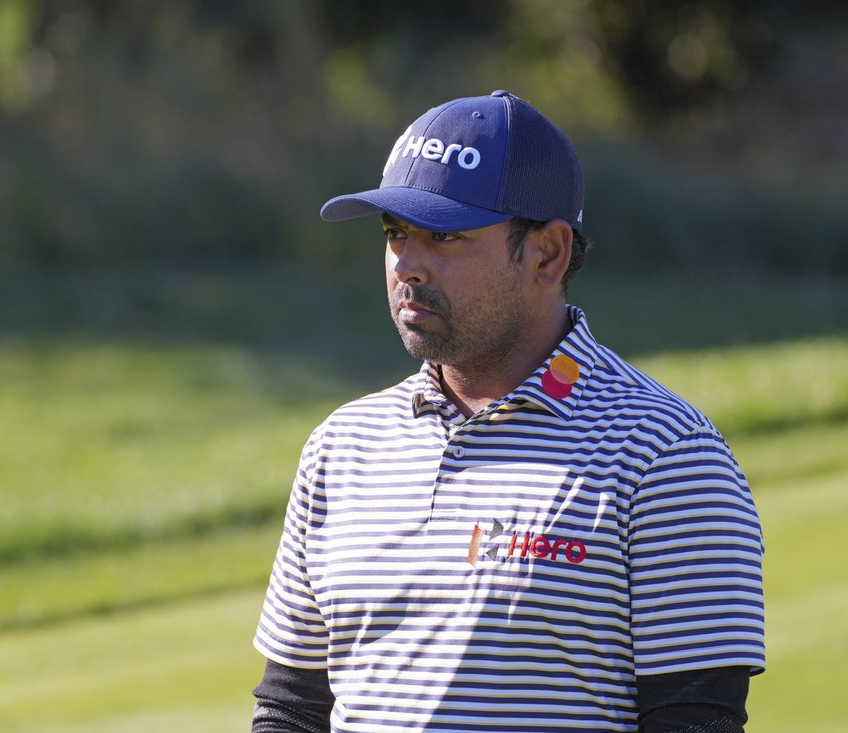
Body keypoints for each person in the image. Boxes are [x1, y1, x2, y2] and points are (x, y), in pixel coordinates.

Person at [251, 90, 765, 733]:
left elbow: (695, 721)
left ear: (547, 253)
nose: (407, 265)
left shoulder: (665, 457)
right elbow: (293, 709)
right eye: (394, 234)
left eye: (444, 236)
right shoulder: (340, 449)